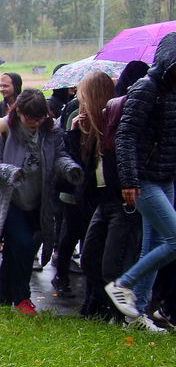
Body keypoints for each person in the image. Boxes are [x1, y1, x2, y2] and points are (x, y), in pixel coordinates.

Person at [0, 89, 83, 314]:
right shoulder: (2, 128)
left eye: (40, 118)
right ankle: (23, 298)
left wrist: (69, 167)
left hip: (39, 201)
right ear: (18, 111)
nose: (34, 123)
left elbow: (59, 156)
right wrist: (11, 172)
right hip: (9, 199)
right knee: (22, 242)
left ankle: (2, 299)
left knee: (21, 248)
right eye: (29, 118)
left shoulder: (51, 131)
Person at [105, 32, 176, 332]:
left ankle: (135, 316)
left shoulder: (172, 91)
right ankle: (124, 285)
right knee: (174, 240)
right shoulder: (147, 88)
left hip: (164, 178)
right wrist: (130, 181)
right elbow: (126, 136)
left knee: (155, 245)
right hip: (143, 180)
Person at [67, 70, 136, 320]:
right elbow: (80, 171)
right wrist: (77, 134)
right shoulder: (90, 129)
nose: (79, 100)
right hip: (101, 202)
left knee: (112, 264)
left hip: (119, 202)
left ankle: (118, 315)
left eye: (83, 95)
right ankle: (99, 306)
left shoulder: (114, 125)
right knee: (89, 258)